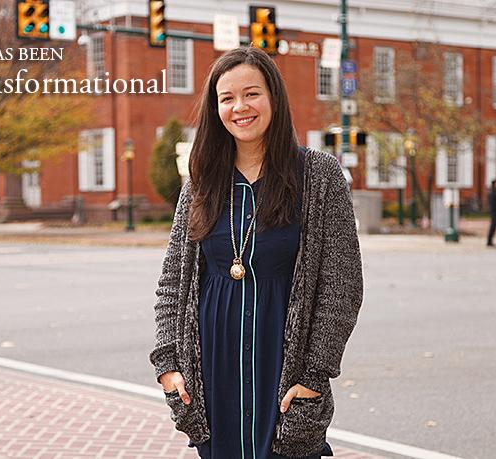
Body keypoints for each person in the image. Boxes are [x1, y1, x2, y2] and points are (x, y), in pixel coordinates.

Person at [149, 47, 364, 459]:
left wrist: (315, 374)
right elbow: (172, 283)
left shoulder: (318, 176)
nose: (239, 107)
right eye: (226, 98)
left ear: (274, 98)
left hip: (282, 370)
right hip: (212, 369)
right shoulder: (201, 181)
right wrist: (169, 366)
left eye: (251, 94)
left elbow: (342, 285)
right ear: (216, 109)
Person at [486, 179, 496, 247]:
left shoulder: (494, 191)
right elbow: (493, 203)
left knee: (493, 227)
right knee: (492, 227)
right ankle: (489, 241)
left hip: (495, 211)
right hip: (494, 212)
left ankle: (490, 240)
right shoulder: (492, 192)